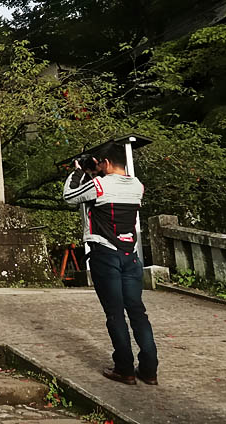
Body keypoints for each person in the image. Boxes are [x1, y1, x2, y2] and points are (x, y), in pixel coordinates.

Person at [63, 141, 159, 386]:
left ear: (104, 163)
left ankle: (124, 368)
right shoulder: (138, 186)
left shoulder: (99, 185)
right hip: (130, 255)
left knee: (115, 313)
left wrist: (78, 170)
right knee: (137, 312)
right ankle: (149, 369)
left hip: (105, 255)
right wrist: (95, 173)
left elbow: (69, 196)